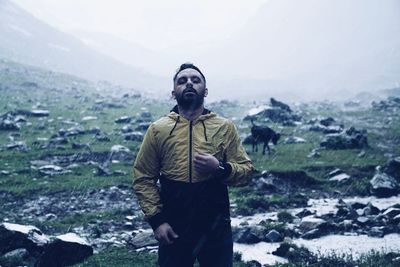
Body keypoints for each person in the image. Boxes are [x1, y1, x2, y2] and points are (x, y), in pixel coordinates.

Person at [133, 63, 253, 267]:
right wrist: (157, 221)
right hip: (174, 226)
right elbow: (143, 177)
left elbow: (247, 172)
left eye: (195, 80)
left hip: (216, 225)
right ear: (173, 93)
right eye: (182, 81)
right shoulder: (158, 130)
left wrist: (220, 169)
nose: (189, 83)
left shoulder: (224, 127)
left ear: (205, 91)